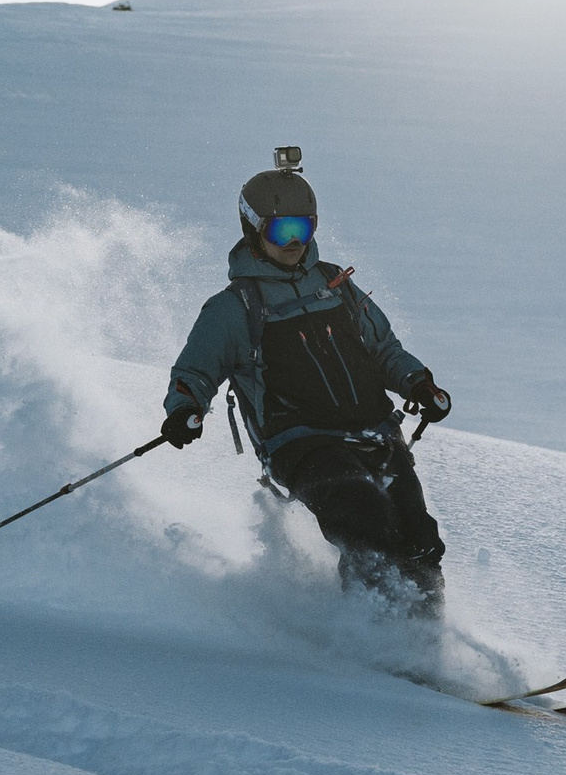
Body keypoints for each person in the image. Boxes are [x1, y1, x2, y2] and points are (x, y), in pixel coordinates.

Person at [160, 152, 455, 610]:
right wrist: (185, 410)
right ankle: (376, 639)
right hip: (302, 444)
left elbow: (385, 350)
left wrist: (418, 384)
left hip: (376, 431)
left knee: (419, 535)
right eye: (282, 231)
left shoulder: (333, 284)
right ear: (254, 229)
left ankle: (427, 642)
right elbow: (194, 372)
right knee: (367, 519)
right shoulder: (235, 306)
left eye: (304, 228)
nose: (295, 241)